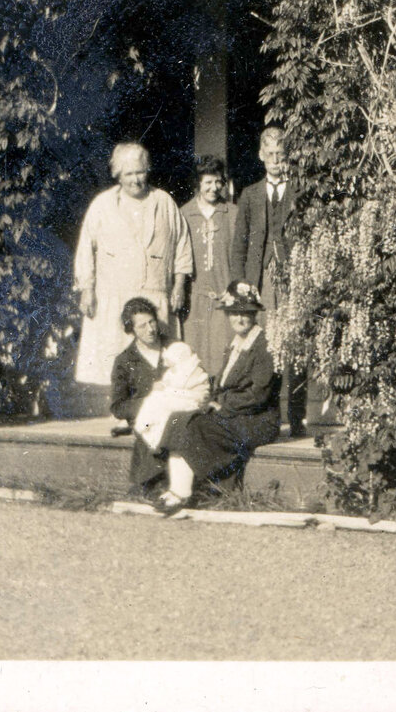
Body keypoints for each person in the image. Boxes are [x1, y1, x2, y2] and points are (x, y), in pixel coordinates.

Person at [72, 142, 193, 400]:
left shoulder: (164, 202)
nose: (135, 180)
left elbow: (182, 245)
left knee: (158, 361)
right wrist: (87, 289)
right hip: (114, 295)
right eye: (129, 174)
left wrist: (179, 285)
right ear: (117, 174)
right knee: (116, 358)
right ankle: (121, 407)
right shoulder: (102, 205)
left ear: (147, 170)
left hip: (154, 293)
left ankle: (152, 408)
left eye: (140, 172)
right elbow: (85, 249)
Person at [154, 287, 279, 514]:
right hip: (237, 413)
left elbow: (259, 394)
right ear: (228, 315)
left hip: (257, 420)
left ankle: (184, 493)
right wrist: (208, 397)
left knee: (196, 426)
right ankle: (176, 489)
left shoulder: (264, 346)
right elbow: (222, 382)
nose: (239, 318)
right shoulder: (236, 344)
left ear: (254, 314)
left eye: (245, 312)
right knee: (178, 419)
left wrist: (222, 406)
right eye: (234, 313)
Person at [230, 126, 308, 435]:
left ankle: (297, 417)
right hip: (260, 281)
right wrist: (240, 280)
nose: (276, 160)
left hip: (293, 278)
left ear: (288, 157)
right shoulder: (250, 195)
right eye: (271, 154)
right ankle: (269, 419)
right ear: (261, 156)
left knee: (295, 344)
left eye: (281, 154)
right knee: (266, 348)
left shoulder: (300, 191)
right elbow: (239, 242)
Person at [108, 298, 173, 494]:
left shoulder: (173, 348)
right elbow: (118, 406)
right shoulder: (125, 361)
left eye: (152, 322)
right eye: (142, 326)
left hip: (178, 408)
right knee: (150, 427)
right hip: (145, 416)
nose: (150, 329)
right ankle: (150, 483)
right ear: (132, 330)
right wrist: (151, 401)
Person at [177, 155, 236, 365]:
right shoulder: (184, 214)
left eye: (218, 182)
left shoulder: (232, 213)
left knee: (224, 357)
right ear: (198, 183)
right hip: (195, 300)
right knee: (195, 358)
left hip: (225, 297)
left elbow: (240, 256)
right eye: (208, 182)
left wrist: (234, 289)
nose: (214, 187)